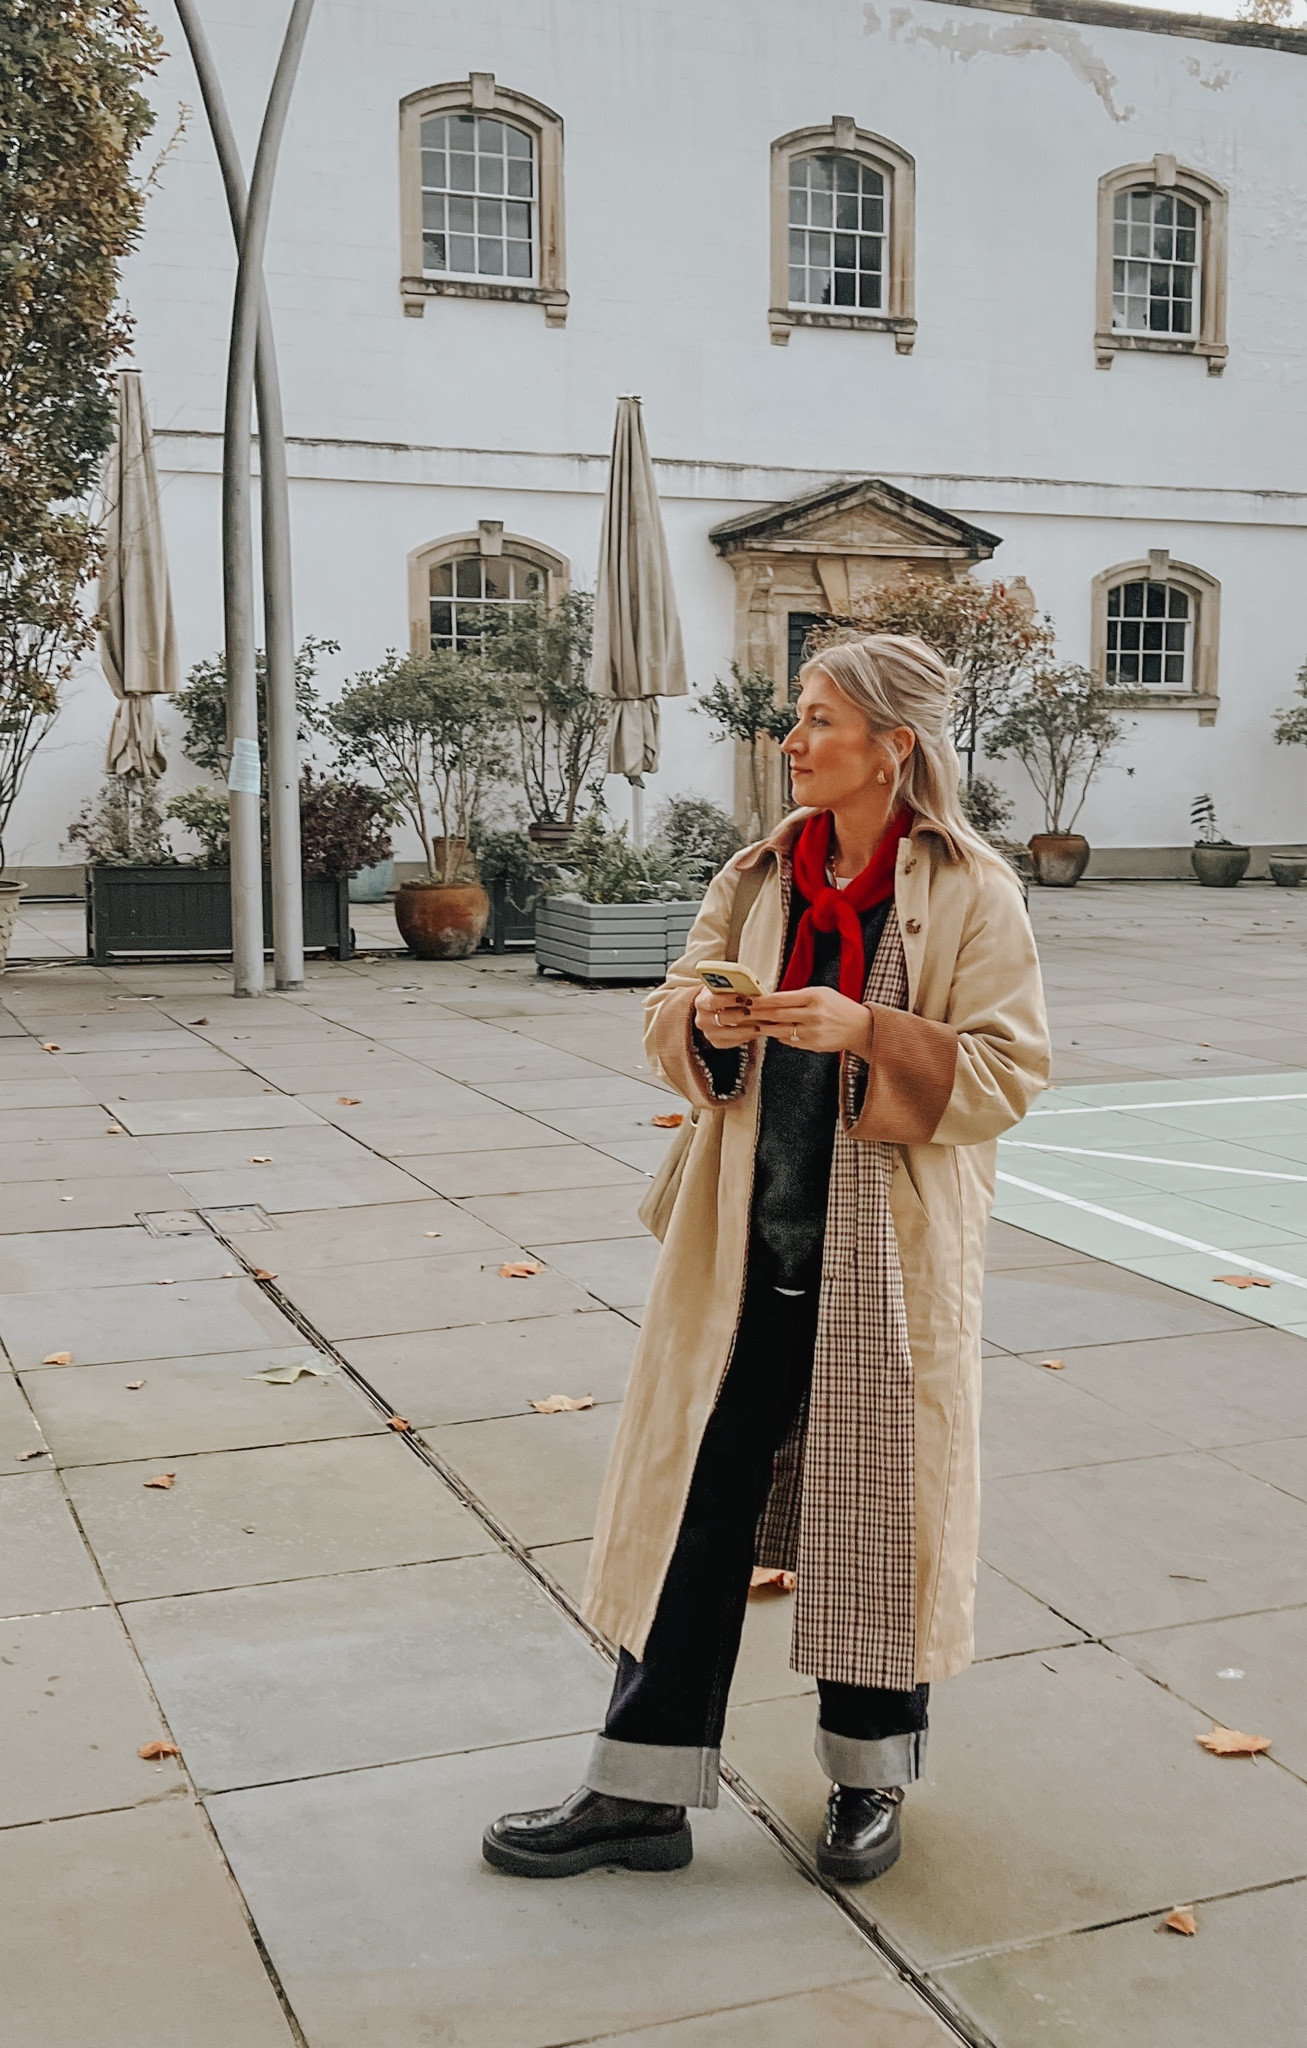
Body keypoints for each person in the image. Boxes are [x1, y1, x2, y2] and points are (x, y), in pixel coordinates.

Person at [483, 633, 1050, 1886]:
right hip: (741, 1261)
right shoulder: (757, 876)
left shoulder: (969, 890)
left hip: (881, 1271)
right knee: (693, 1515)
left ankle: (868, 1785)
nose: (790, 742)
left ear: (893, 744)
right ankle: (639, 1793)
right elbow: (662, 1015)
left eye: (818, 721)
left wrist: (869, 1030)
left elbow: (1010, 1071)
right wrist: (705, 1020)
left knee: (870, 1514)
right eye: (795, 719)